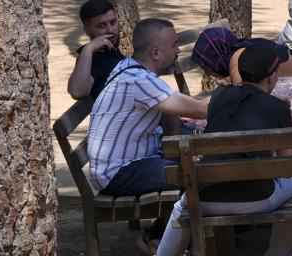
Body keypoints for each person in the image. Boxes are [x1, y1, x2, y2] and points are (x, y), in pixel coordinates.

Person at [155, 44, 292, 256]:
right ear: (272, 78)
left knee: (182, 206)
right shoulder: (278, 108)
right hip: (258, 199)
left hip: (203, 198)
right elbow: (287, 167)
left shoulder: (219, 96)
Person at [86, 18, 208, 251]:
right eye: (174, 45)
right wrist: (237, 94)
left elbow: (173, 110)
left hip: (126, 163)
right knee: (197, 174)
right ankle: (164, 241)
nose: (178, 50)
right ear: (155, 52)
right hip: (119, 172)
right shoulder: (140, 80)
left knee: (193, 163)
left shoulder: (131, 67)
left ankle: (162, 234)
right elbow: (199, 110)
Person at [193, 27, 292, 82]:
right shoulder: (242, 48)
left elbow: (242, 99)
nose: (207, 74)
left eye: (205, 67)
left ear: (217, 56)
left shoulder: (238, 60)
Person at [68, 0, 125, 100]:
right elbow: (77, 92)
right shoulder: (93, 59)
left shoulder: (112, 52)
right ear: (87, 31)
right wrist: (88, 48)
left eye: (113, 22)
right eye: (101, 26)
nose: (110, 30)